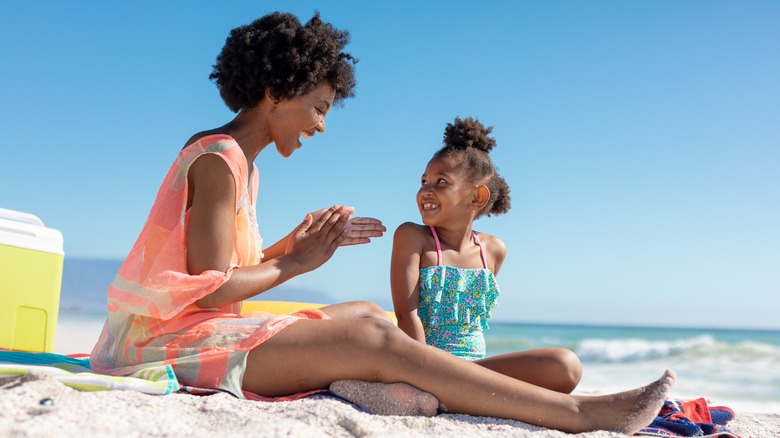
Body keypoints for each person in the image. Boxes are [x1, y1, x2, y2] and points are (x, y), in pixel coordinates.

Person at [90, 11, 676, 434]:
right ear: (275, 91)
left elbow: (221, 272)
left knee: (370, 316)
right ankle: (580, 415)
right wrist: (299, 261)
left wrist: (296, 243)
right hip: (158, 347)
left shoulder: (238, 162)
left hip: (185, 335)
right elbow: (213, 290)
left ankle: (375, 387)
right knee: (368, 334)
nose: (321, 125)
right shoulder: (220, 159)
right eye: (318, 107)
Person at [390, 116, 582, 392]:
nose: (426, 190)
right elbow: (407, 317)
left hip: (474, 370)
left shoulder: (492, 250)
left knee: (566, 365)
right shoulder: (412, 236)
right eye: (424, 181)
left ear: (477, 197)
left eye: (441, 181)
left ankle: (473, 389)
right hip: (425, 367)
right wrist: (423, 377)